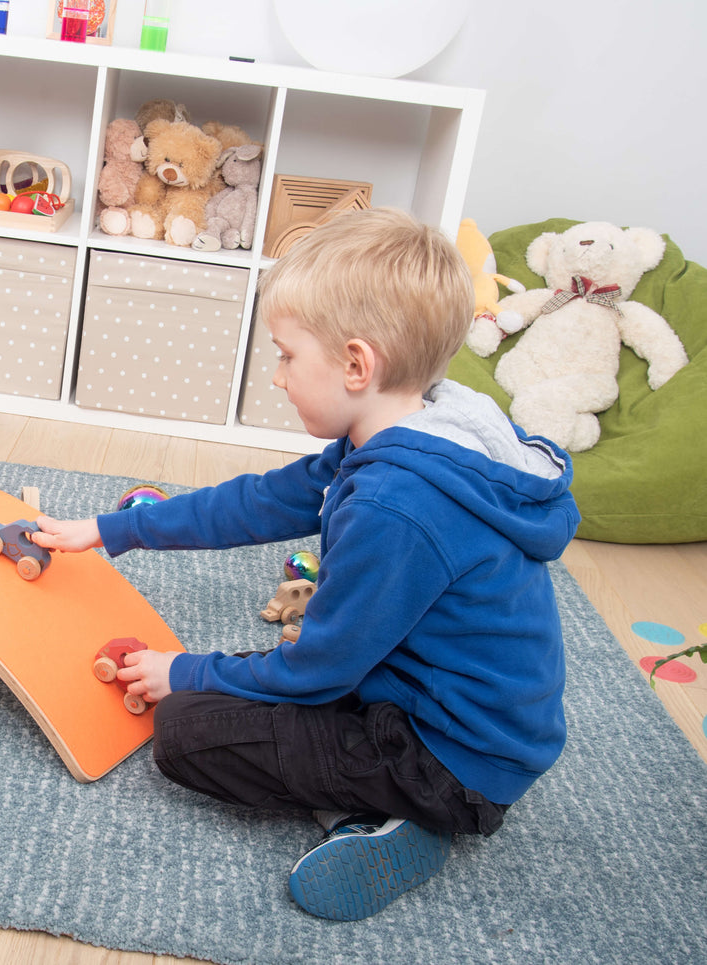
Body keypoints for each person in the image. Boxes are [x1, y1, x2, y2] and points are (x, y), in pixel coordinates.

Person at [32, 208, 581, 921]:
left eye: (288, 354)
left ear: (357, 364)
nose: (279, 374)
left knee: (186, 732)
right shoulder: (413, 423)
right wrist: (111, 529)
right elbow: (262, 501)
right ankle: (378, 791)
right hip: (430, 700)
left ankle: (405, 821)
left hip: (453, 762)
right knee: (232, 687)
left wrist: (183, 670)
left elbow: (316, 672)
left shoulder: (396, 503)